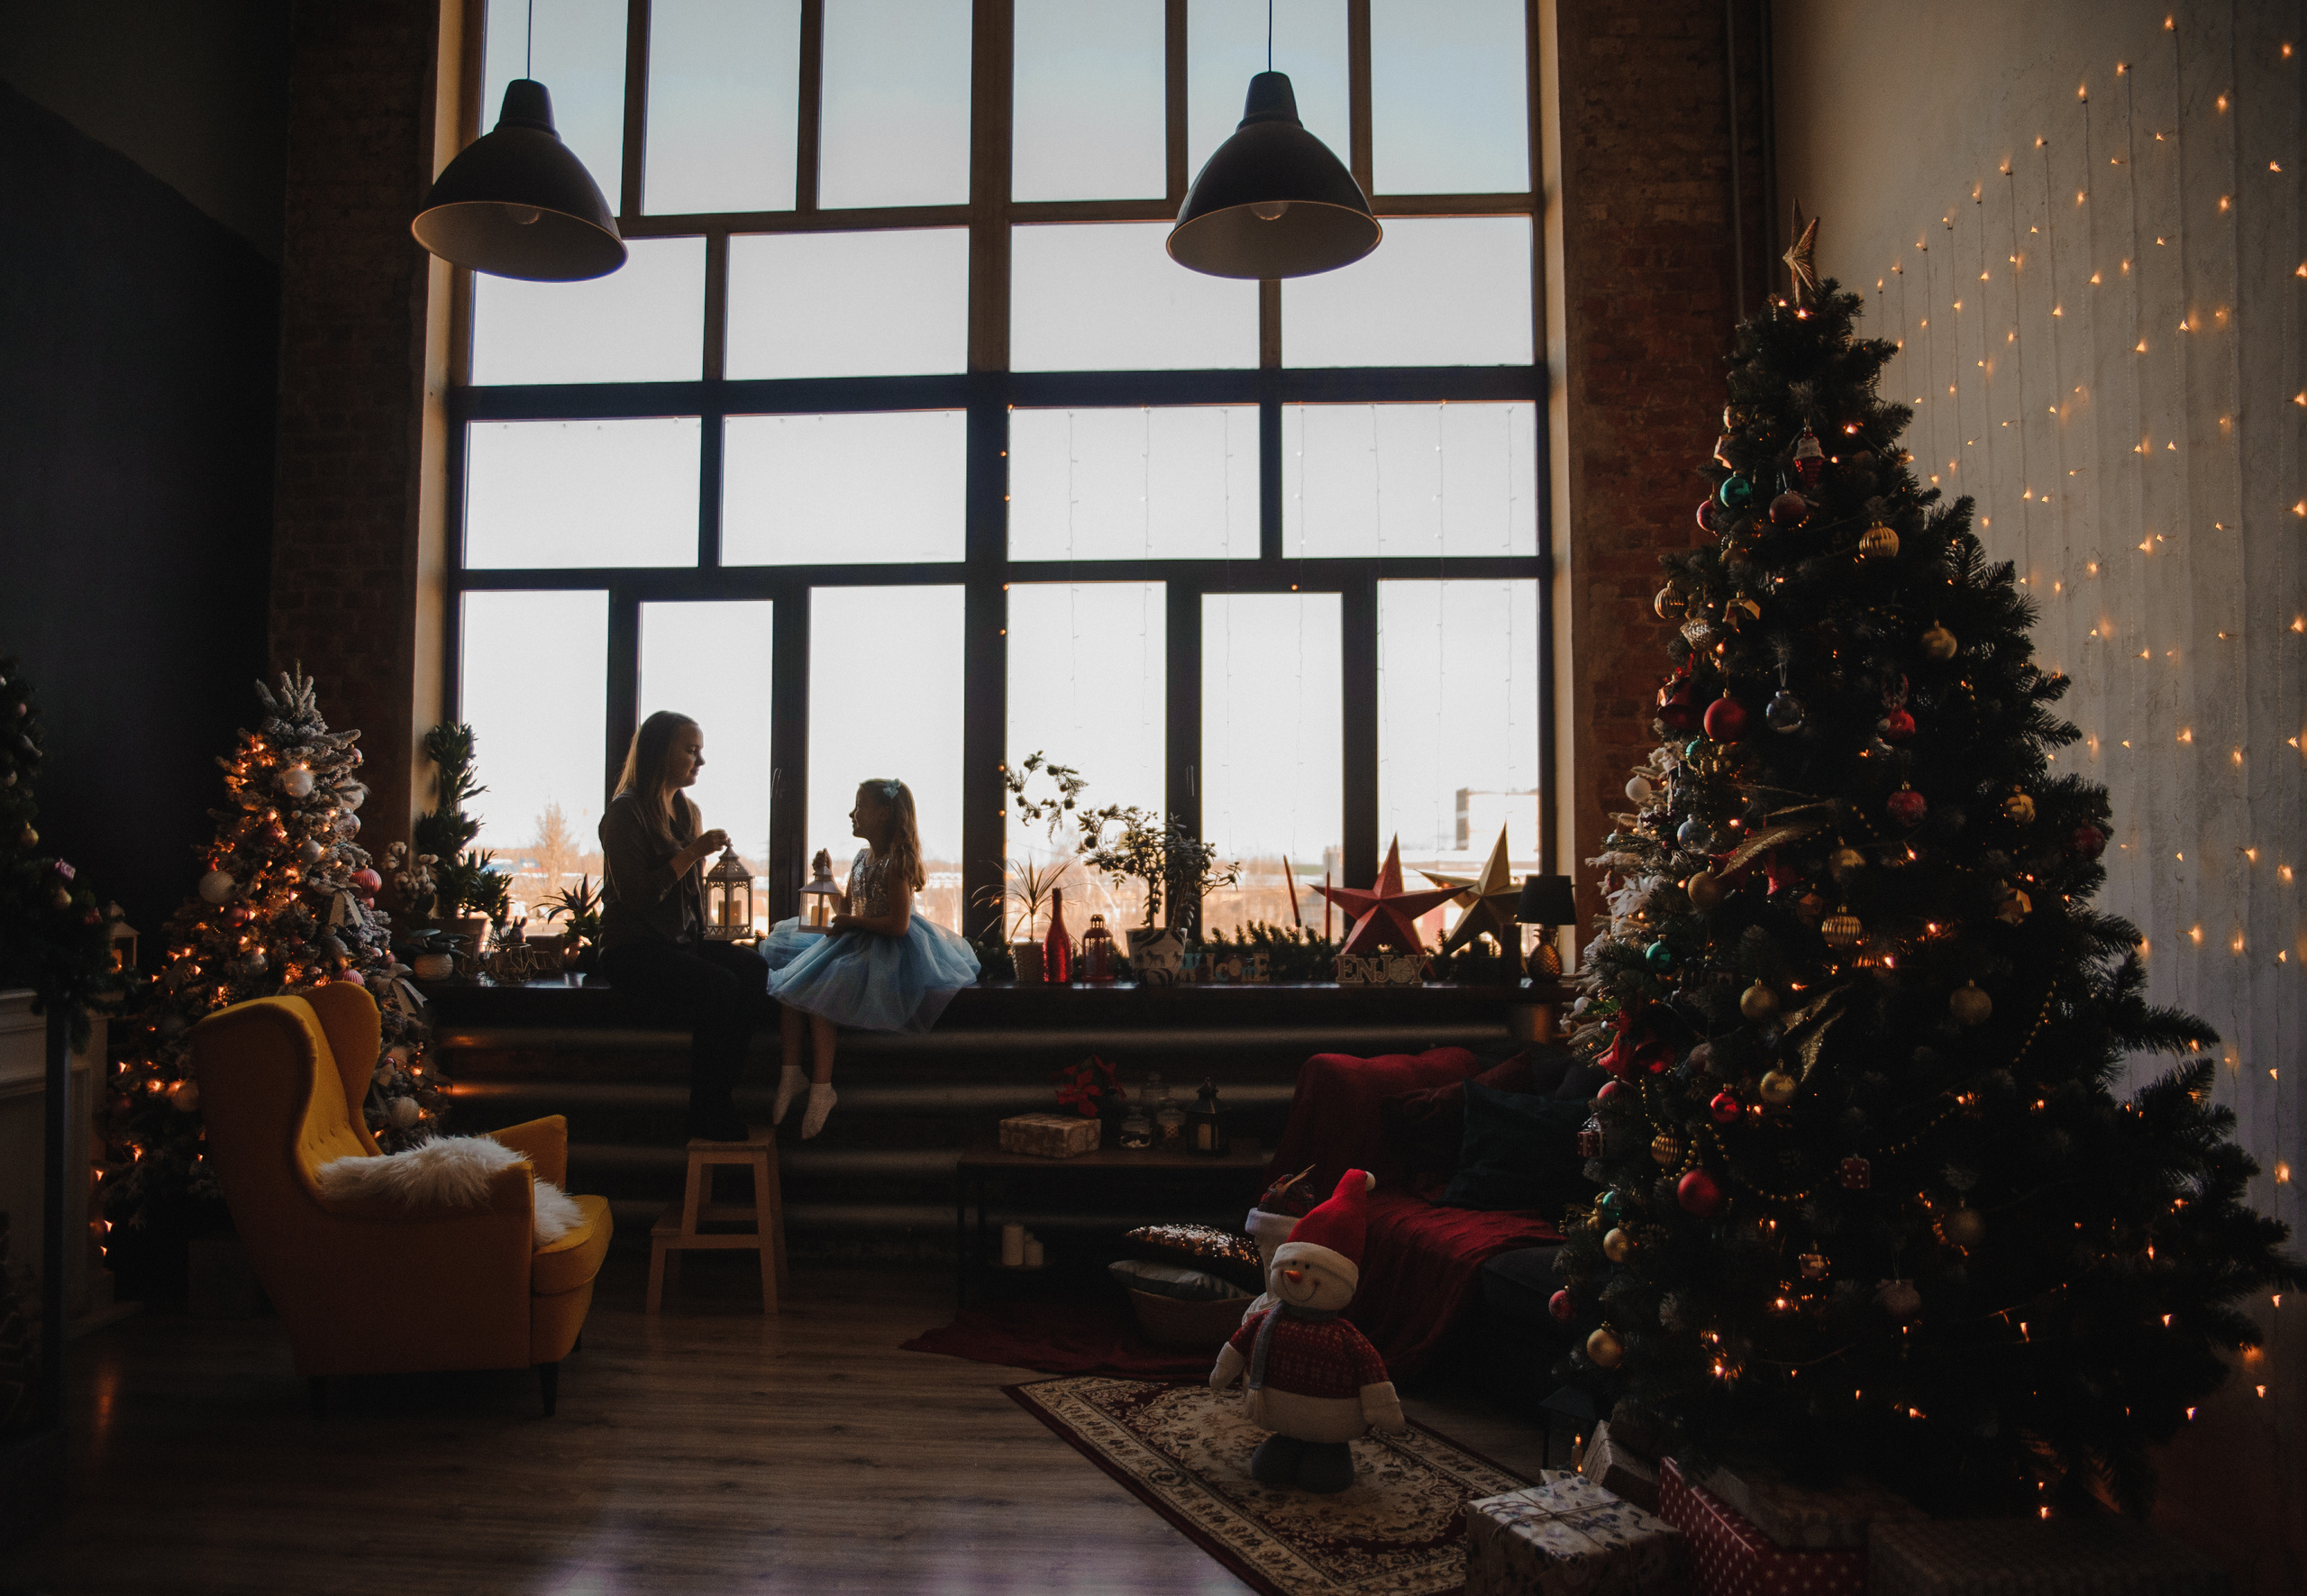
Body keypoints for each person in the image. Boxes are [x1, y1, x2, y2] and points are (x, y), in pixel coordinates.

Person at [756, 779, 980, 1139]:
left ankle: (822, 1086)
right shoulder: (862, 858)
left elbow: (897, 924)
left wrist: (851, 922)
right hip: (856, 939)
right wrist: (826, 879)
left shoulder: (896, 863)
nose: (852, 813)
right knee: (791, 984)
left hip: (885, 951)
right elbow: (847, 908)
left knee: (820, 992)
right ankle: (790, 1071)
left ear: (884, 813)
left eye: (859, 806)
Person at [596, 711, 773, 1143]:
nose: (701, 761)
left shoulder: (686, 810)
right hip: (633, 949)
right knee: (721, 989)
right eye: (691, 750)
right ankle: (706, 1110)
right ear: (660, 753)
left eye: (701, 751)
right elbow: (638, 897)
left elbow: (692, 895)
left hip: (679, 944)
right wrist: (692, 852)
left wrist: (717, 937)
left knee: (753, 970)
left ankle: (722, 1095)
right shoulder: (624, 814)